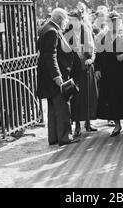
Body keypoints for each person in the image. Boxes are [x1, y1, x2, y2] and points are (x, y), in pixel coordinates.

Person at [37, 8, 79, 146]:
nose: (66, 23)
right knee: (62, 107)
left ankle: (54, 137)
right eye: (65, 19)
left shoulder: (46, 28)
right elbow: (50, 55)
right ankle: (65, 137)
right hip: (55, 75)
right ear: (60, 18)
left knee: (53, 107)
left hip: (48, 76)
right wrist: (57, 76)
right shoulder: (52, 31)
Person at [95, 12, 123, 136]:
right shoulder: (103, 37)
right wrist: (97, 69)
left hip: (122, 72)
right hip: (107, 73)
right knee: (111, 99)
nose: (113, 24)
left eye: (116, 21)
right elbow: (99, 55)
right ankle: (117, 125)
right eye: (111, 21)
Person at [67, 3, 98, 137]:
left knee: (88, 95)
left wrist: (91, 60)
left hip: (86, 67)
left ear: (80, 20)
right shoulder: (67, 33)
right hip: (74, 69)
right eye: (71, 20)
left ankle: (88, 122)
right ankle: (77, 125)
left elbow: (94, 49)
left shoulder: (87, 31)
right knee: (76, 97)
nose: (73, 23)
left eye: (75, 20)